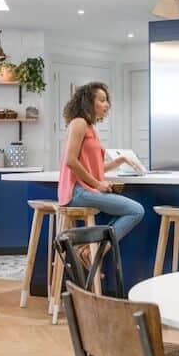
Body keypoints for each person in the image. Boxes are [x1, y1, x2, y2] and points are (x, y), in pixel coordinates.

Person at [58, 82, 143, 242]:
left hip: (85, 190)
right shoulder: (79, 123)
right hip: (76, 192)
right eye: (102, 100)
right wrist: (97, 184)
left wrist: (119, 160)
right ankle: (94, 252)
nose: (107, 105)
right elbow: (70, 160)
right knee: (136, 210)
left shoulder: (90, 128)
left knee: (134, 210)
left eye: (107, 101)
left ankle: (89, 251)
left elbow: (91, 168)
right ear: (89, 102)